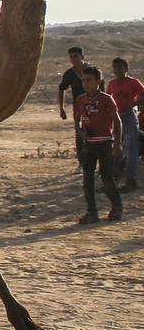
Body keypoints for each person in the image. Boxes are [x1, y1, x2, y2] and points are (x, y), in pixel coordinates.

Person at [75, 66, 123, 223]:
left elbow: (117, 121)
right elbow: (77, 121)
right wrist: (81, 133)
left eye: (89, 80)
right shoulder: (81, 99)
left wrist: (117, 143)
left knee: (107, 178)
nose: (85, 83)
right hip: (89, 145)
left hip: (105, 143)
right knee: (87, 179)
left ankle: (116, 208)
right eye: (83, 80)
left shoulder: (105, 99)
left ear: (98, 81)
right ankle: (92, 212)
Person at [106, 57, 143, 191]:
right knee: (116, 147)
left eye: (120, 67)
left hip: (129, 116)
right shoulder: (112, 83)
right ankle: (113, 179)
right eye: (115, 68)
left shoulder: (133, 82)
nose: (117, 70)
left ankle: (131, 180)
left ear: (126, 69)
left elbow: (142, 94)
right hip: (117, 117)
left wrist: (133, 104)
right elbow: (107, 98)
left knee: (131, 147)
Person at [58, 46, 90, 163]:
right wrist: (61, 108)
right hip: (79, 106)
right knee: (79, 130)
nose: (73, 59)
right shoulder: (69, 74)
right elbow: (62, 88)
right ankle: (82, 161)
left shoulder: (92, 70)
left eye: (75, 56)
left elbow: (101, 87)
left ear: (82, 57)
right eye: (71, 57)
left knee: (95, 129)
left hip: (94, 104)